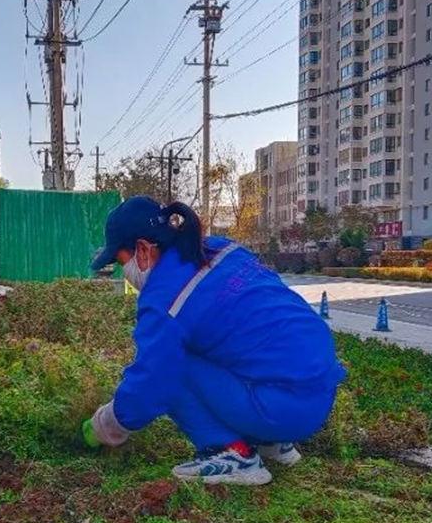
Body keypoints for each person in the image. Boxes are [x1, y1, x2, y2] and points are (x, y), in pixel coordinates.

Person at [80, 196, 346, 486]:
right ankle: (273, 442)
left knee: (173, 368)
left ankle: (232, 453)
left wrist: (108, 423)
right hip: (319, 393)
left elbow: (153, 380)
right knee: (212, 346)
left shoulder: (163, 298)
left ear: (143, 249)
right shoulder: (220, 249)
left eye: (122, 263)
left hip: (282, 408)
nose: (127, 275)